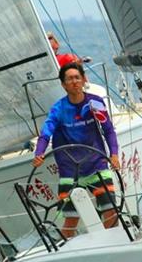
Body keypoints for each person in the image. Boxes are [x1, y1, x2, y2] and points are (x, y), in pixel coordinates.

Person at [32, 62, 120, 238]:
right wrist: (39, 153)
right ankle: (65, 251)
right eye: (69, 79)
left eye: (77, 77)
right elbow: (45, 134)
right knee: (71, 219)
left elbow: (108, 129)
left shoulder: (95, 102)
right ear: (63, 85)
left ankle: (111, 243)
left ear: (83, 79)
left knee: (111, 210)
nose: (74, 82)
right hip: (70, 171)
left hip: (97, 165)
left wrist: (114, 154)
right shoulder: (58, 109)